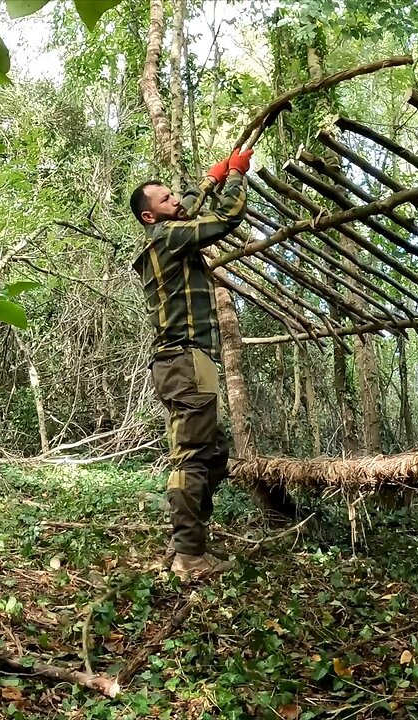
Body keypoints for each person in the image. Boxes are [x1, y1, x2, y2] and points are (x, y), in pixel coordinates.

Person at [129, 147, 254, 581]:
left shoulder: (169, 234)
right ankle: (188, 555)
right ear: (151, 217)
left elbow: (190, 203)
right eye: (165, 200)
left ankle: (186, 537)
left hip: (189, 362)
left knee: (214, 454)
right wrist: (235, 177)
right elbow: (225, 219)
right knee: (192, 459)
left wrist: (209, 179)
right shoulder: (168, 237)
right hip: (185, 360)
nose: (175, 200)